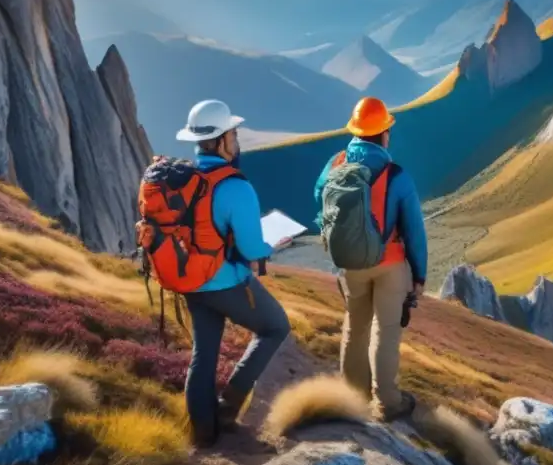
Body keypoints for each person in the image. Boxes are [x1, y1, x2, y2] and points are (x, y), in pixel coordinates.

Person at [174, 99, 291, 447]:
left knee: (203, 354)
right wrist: (274, 244)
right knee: (275, 327)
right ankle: (228, 408)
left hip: (192, 281)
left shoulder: (185, 179)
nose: (237, 140)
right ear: (223, 139)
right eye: (234, 134)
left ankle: (203, 435)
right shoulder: (235, 187)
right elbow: (253, 249)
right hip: (225, 281)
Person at [315, 97, 428, 421]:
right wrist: (419, 276)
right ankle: (388, 401)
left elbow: (319, 199)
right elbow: (415, 231)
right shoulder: (395, 176)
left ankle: (353, 397)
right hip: (389, 264)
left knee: (355, 328)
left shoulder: (335, 164)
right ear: (383, 134)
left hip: (349, 265)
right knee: (387, 329)